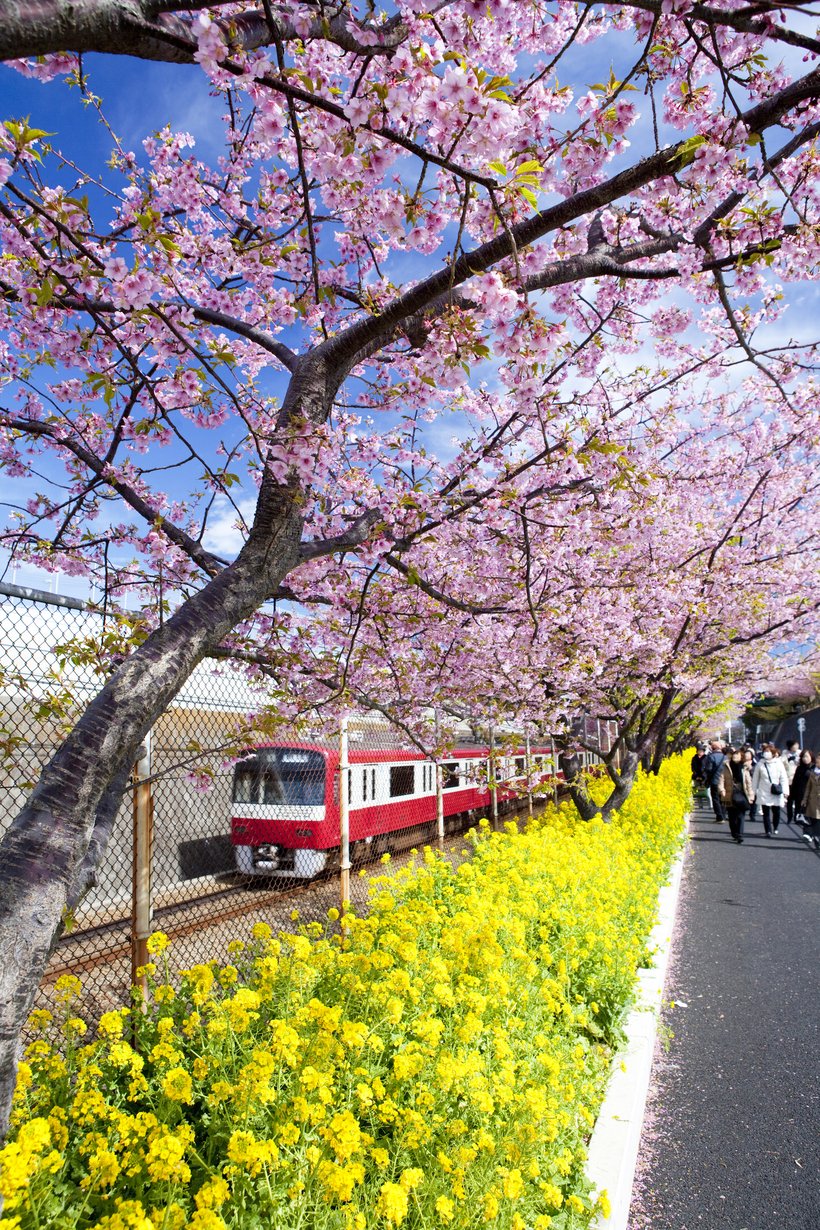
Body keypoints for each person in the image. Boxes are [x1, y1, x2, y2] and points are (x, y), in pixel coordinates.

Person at [751, 742, 790, 836]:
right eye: (765, 751)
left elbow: (783, 778)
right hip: (764, 790)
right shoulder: (760, 764)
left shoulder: (778, 764)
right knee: (766, 812)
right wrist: (753, 791)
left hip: (776, 791)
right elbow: (755, 778)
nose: (766, 753)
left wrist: (785, 791)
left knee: (776, 811)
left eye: (768, 751)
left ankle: (775, 827)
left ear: (773, 753)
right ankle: (768, 830)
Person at [722, 747, 754, 844]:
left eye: (738, 755)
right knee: (732, 816)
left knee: (740, 815)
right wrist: (722, 790)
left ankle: (740, 834)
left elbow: (748, 783)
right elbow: (721, 779)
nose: (735, 756)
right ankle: (734, 833)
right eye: (734, 755)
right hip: (729, 793)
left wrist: (751, 795)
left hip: (742, 793)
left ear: (741, 757)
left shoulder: (744, 768)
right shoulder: (726, 766)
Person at [703, 739, 728, 824]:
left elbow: (708, 769)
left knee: (716, 799)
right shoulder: (725, 757)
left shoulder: (711, 757)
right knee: (723, 798)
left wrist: (706, 778)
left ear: (712, 748)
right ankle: (723, 815)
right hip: (724, 781)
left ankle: (719, 817)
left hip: (714, 780)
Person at [800, 752, 820, 849]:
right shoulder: (813, 772)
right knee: (814, 820)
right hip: (812, 801)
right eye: (817, 759)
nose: (817, 761)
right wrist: (804, 799)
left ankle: (817, 838)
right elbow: (808, 787)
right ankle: (816, 838)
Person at [790, 748, 813, 826]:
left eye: (807, 756)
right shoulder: (799, 768)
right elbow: (795, 782)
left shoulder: (814, 768)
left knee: (809, 816)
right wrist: (792, 795)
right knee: (800, 816)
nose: (805, 759)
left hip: (811, 795)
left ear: (811, 757)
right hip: (799, 794)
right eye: (803, 757)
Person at [781, 740, 801, 822]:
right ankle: (789, 817)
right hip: (788, 779)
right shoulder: (785, 753)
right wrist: (787, 760)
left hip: (797, 779)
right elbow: (781, 763)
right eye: (794, 745)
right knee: (789, 800)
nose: (796, 747)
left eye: (797, 745)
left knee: (798, 800)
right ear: (790, 746)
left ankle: (796, 817)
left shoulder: (800, 753)